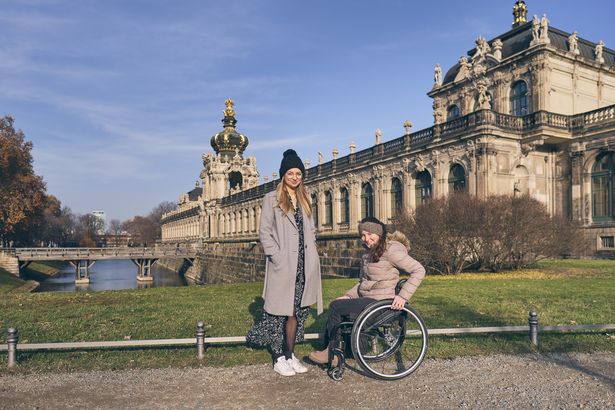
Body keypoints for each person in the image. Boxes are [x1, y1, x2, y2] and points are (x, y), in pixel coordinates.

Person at [308, 216, 425, 365]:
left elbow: (419, 270)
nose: (366, 238)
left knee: (335, 308)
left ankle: (333, 353)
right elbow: (364, 283)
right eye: (363, 235)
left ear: (380, 234)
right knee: (338, 303)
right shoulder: (369, 254)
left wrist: (402, 297)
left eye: (370, 234)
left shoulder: (392, 251)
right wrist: (348, 296)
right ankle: (341, 349)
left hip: (381, 304)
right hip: (369, 301)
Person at [246, 149, 323, 376]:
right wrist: (276, 256)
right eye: (291, 173)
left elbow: (311, 229)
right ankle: (278, 357)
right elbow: (264, 232)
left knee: (296, 313)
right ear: (283, 175)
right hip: (284, 264)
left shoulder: (304, 199)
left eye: (298, 173)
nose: (295, 177)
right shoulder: (271, 198)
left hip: (304, 264)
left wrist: (313, 247)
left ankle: (290, 355)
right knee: (280, 311)